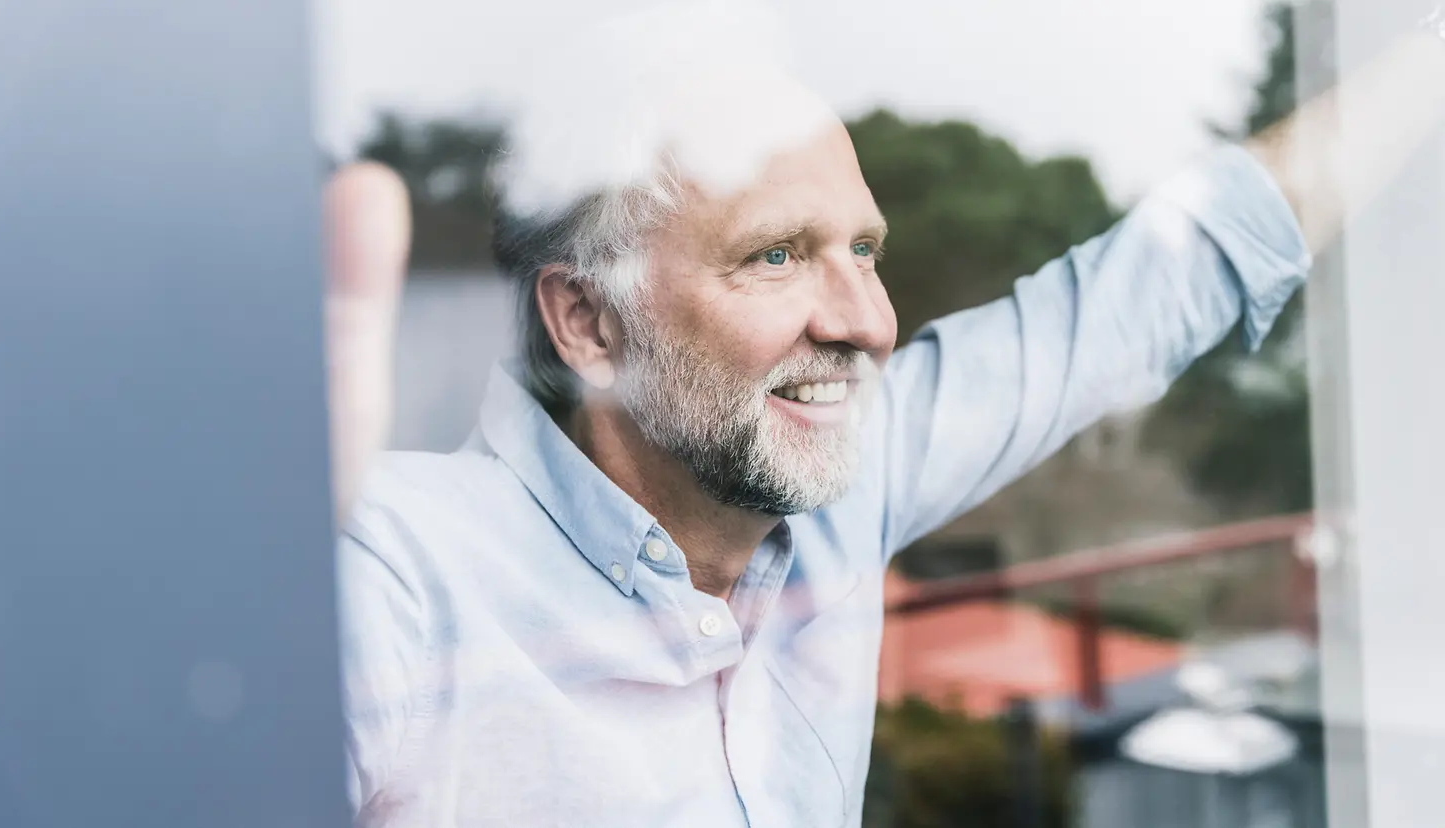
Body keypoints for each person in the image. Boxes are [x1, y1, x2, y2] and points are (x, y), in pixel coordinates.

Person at [320, 2, 1445, 825]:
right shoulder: (386, 577)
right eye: (775, 256)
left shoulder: (831, 482)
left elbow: (1150, 289)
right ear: (589, 323)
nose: (867, 321)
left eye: (864, 250)